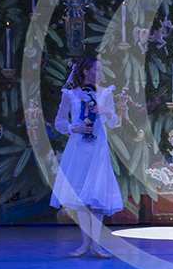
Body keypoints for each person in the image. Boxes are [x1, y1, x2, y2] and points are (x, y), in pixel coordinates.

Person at [51, 58, 123, 258]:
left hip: (98, 149)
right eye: (97, 70)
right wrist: (74, 128)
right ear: (85, 72)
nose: (100, 73)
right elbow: (59, 122)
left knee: (97, 196)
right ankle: (85, 244)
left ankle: (96, 245)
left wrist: (107, 111)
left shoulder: (105, 93)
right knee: (81, 198)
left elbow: (115, 122)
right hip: (79, 149)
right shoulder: (71, 94)